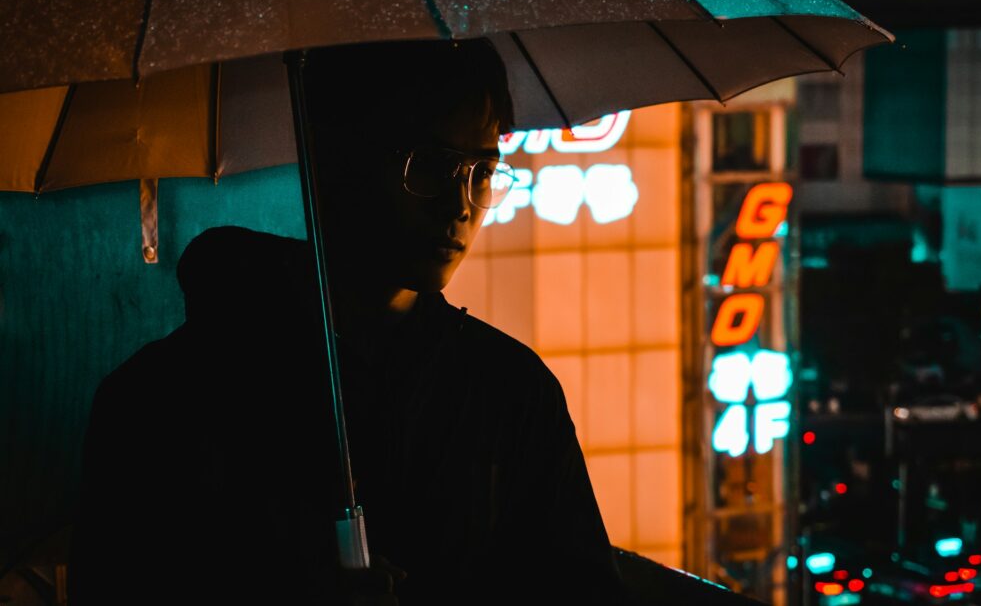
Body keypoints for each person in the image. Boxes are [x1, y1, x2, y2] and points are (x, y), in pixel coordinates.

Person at [69, 39, 623, 605]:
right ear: (336, 160)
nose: (460, 204)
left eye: (482, 171)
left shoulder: (511, 391)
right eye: (428, 165)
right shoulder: (167, 396)